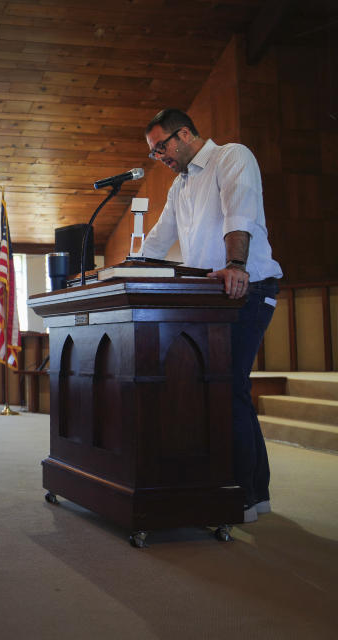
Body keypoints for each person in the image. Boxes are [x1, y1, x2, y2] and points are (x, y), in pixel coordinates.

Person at [140, 108, 283, 523]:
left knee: (226, 390)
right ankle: (253, 492)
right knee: (223, 391)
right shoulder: (180, 186)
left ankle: (242, 493)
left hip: (247, 289)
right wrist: (122, 272)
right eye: (153, 153)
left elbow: (241, 213)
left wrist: (236, 264)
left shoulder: (231, 157)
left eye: (161, 147)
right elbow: (159, 238)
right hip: (207, 296)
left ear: (183, 134)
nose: (159, 157)